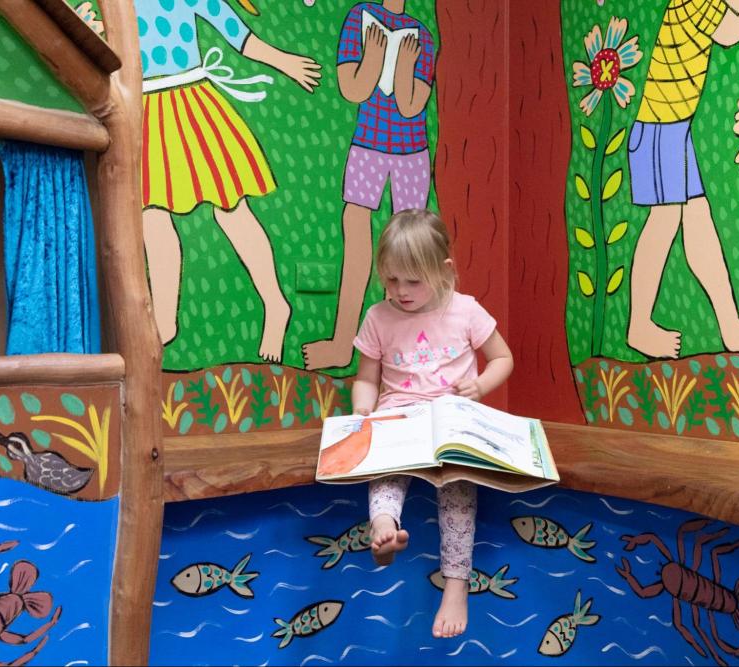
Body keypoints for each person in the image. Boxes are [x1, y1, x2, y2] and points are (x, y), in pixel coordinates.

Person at [350, 209, 513, 638]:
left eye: (412, 280)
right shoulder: (378, 317)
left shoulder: (465, 310)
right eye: (390, 280)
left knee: (458, 488)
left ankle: (456, 585)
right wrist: (363, 412)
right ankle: (384, 528)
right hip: (399, 417)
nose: (400, 291)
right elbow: (366, 379)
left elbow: (503, 358)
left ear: (443, 270)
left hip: (452, 421)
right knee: (384, 471)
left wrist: (479, 386)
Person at [138, 0, 321, 362]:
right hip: (147, 112)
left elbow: (236, 32)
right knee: (151, 212)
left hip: (191, 104)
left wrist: (283, 60)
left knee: (231, 206)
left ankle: (275, 303)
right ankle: (164, 319)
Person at [627, 0, 739, 361]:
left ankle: (730, 326)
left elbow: (727, 29)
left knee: (697, 222)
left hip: (672, 129)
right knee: (665, 221)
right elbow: (734, 26)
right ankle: (638, 325)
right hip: (660, 130)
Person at [302, 0, 436, 370]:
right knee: (357, 242)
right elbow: (353, 89)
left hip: (411, 153)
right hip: (368, 145)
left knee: (408, 249)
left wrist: (406, 67)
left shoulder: (421, 35)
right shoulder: (359, 18)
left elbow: (412, 106)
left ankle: (398, 351)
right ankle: (343, 343)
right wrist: (374, 57)